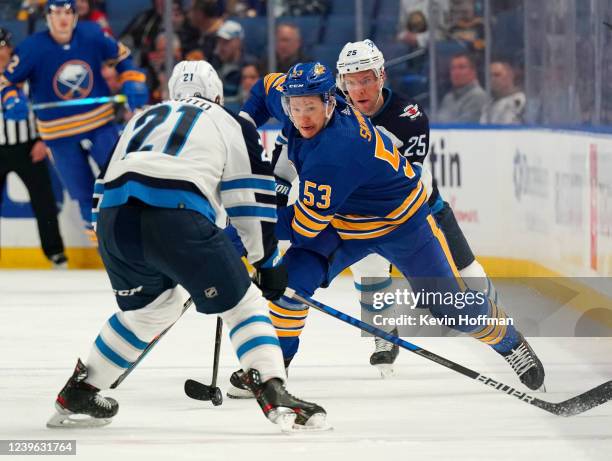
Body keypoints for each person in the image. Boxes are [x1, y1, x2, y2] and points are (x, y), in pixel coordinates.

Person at [227, 61, 545, 397]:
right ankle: (271, 371)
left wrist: (245, 228)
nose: (303, 117)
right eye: (295, 107)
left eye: (310, 107)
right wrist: (246, 124)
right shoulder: (296, 100)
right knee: (290, 286)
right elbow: (265, 88)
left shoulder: (337, 151)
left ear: (330, 102)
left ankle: (509, 340)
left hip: (402, 224)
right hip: (343, 222)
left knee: (450, 306)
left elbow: (305, 226)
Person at [46, 60, 328, 432]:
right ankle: (276, 392)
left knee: (153, 310)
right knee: (243, 304)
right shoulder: (231, 122)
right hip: (176, 214)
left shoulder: (142, 117)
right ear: (217, 95)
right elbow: (250, 201)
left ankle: (80, 392)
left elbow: (102, 188)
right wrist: (267, 262)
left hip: (115, 221)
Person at [0, 0, 148, 234]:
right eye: (56, 12)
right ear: (47, 17)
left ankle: (135, 233)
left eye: (68, 12)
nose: (63, 18)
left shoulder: (92, 33)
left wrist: (131, 80)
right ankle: (102, 247)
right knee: (82, 193)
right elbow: (7, 81)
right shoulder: (31, 48)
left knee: (120, 175)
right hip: (58, 133)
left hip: (99, 123)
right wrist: (11, 99)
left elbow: (122, 58)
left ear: (75, 15)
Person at [0, 27, 67, 268]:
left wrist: (43, 140)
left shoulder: (25, 74)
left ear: (9, 48)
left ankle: (56, 253)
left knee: (44, 202)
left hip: (28, 147)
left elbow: (45, 108)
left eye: (1, 47)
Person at [437, 52, 487, 122]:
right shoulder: (448, 98)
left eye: (461, 67)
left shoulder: (478, 96)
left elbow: (463, 128)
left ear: (473, 71)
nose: (456, 72)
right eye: (453, 68)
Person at [480, 60, 525, 124]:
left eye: (497, 75)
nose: (492, 79)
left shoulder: (519, 101)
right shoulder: (488, 103)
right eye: (490, 75)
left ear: (510, 75)